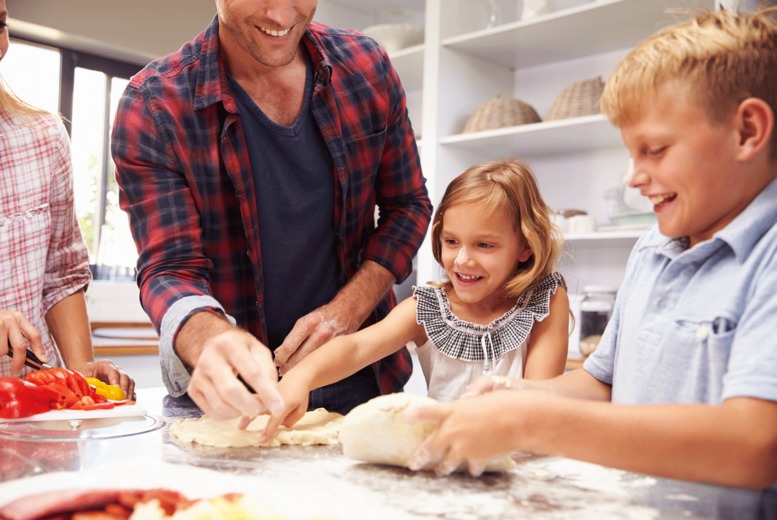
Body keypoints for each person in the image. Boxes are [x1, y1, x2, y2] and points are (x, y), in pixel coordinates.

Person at [403, 7, 777, 488]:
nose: (633, 177)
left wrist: (531, 422)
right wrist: (517, 396)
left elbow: (756, 446)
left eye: (656, 150)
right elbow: (603, 384)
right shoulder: (653, 248)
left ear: (747, 130)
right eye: (629, 152)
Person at [110, 0, 432, 421]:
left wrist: (350, 308)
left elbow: (408, 206)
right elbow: (170, 268)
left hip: (363, 379)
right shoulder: (153, 105)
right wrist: (207, 337)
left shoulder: (367, 67)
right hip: (229, 397)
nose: (281, 17)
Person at [263, 159, 570, 439]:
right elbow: (357, 347)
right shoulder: (430, 308)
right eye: (451, 241)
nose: (462, 260)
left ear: (525, 247)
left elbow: (537, 401)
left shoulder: (546, 300)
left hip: (521, 455)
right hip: (444, 456)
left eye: (484, 245)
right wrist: (301, 377)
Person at [0, 0, 135, 398]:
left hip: (37, 414)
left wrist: (80, 373)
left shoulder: (42, 138)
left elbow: (61, 276)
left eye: (0, 24)